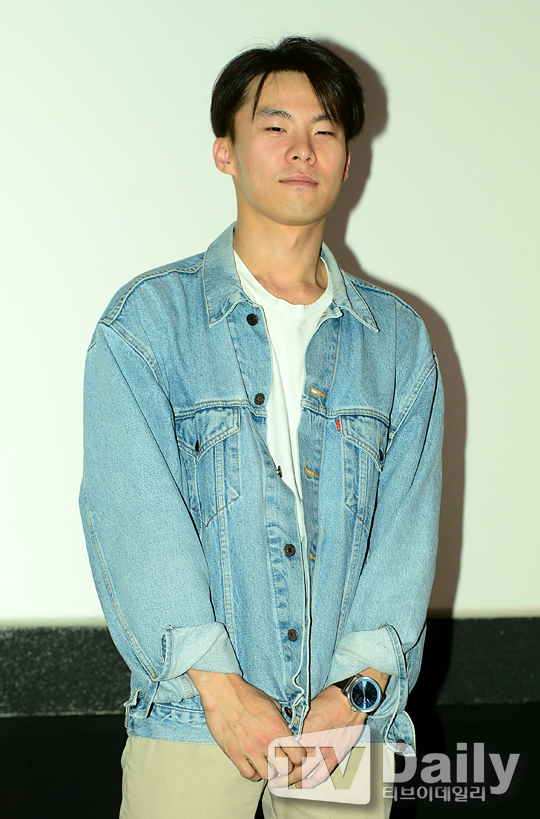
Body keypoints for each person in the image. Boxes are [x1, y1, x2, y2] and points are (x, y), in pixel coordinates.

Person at [80, 36, 443, 819]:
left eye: (325, 130)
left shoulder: (398, 342)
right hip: (192, 717)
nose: (302, 148)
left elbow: (406, 534)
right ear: (226, 152)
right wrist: (217, 686)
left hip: (343, 730)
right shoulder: (148, 323)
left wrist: (356, 691)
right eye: (275, 126)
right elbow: (133, 515)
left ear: (347, 159)